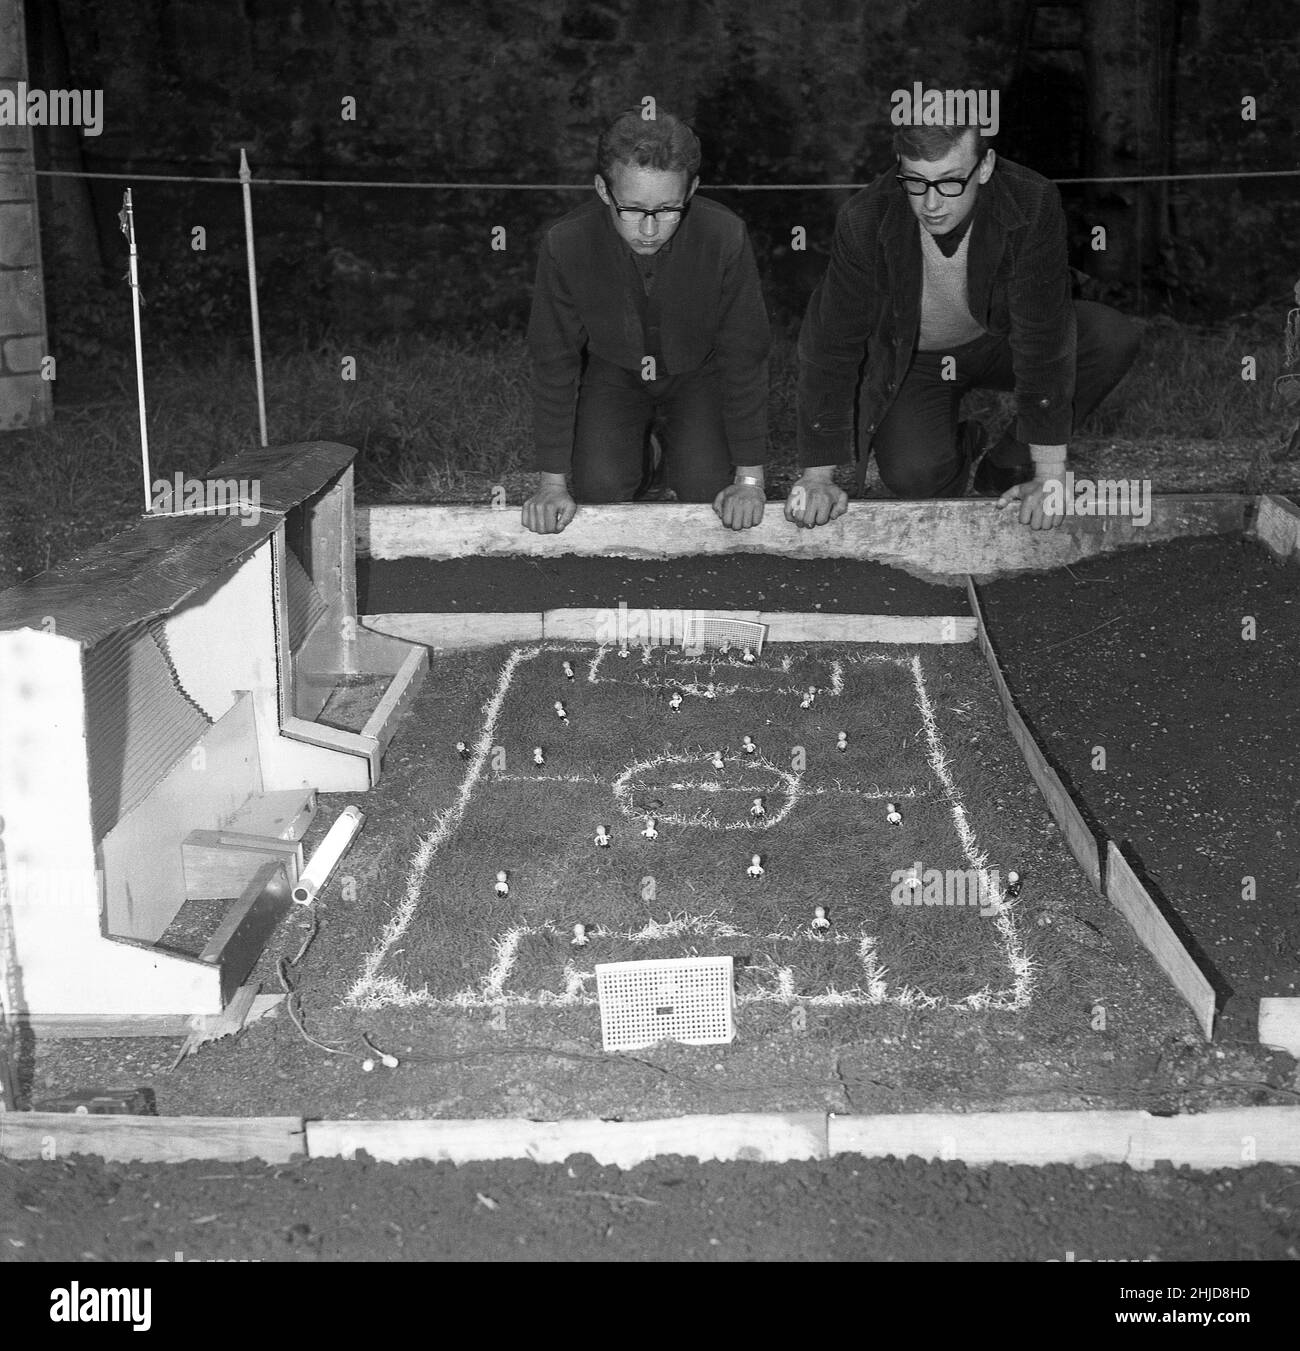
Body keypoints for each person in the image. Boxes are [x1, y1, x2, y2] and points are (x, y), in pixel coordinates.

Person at [790, 117, 1141, 532]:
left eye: (951, 181)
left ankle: (1007, 464)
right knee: (914, 478)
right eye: (916, 182)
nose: (932, 203)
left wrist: (1049, 474)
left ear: (986, 165)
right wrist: (817, 478)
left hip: (1000, 339)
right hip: (916, 360)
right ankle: (960, 446)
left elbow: (1043, 333)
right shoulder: (864, 218)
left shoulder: (1031, 200)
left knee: (1111, 336)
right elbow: (831, 344)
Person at [522, 109, 771, 534]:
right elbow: (553, 360)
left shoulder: (724, 235)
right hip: (614, 369)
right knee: (599, 489)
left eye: (670, 209)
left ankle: (681, 453)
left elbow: (745, 352)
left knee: (707, 491)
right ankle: (645, 453)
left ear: (692, 189)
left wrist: (750, 479)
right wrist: (551, 482)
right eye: (634, 210)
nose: (651, 230)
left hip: (698, 371)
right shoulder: (566, 242)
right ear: (603, 189)